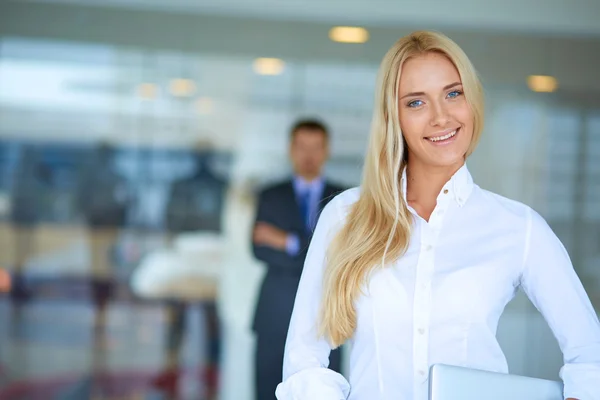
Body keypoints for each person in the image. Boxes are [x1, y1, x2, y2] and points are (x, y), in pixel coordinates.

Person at [275, 31, 600, 400]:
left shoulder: (519, 228)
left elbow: (591, 356)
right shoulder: (345, 216)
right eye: (416, 103)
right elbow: (304, 360)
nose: (441, 117)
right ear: (392, 117)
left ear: (471, 100)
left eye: (453, 93)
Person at [252, 119, 345, 400]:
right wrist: (317, 252)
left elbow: (343, 254)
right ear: (290, 149)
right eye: (301, 146)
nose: (308, 155)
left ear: (327, 151)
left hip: (326, 315)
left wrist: (286, 241)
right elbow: (258, 249)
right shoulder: (270, 195)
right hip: (274, 314)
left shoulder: (344, 198)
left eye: (316, 147)